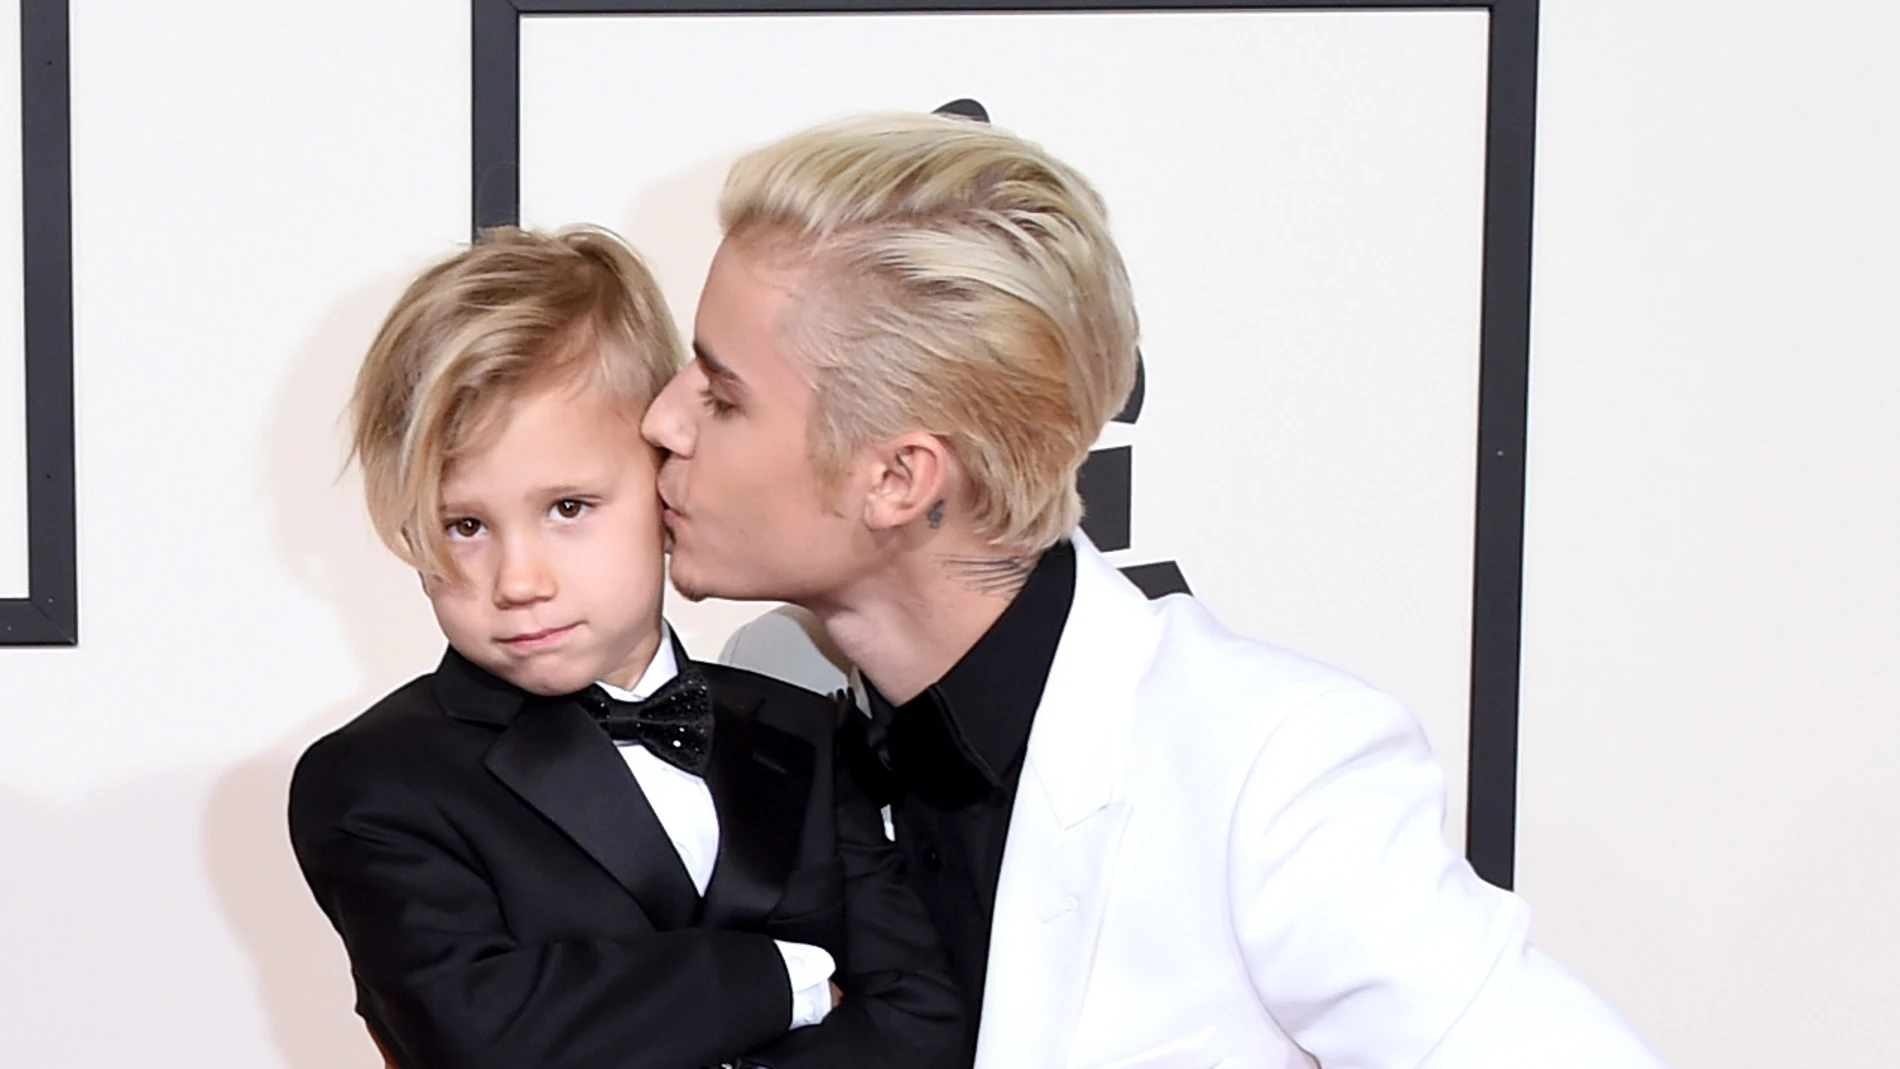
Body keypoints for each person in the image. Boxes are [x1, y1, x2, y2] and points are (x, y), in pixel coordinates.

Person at [639, 113, 1668, 1068]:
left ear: (899, 479)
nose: (663, 421)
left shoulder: (1264, 774)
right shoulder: (760, 713)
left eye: (722, 395)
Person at [286, 225, 961, 1069]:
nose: (519, 578)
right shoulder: (374, 782)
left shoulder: (802, 730)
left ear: (663, 480)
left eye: (568, 507)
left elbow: (921, 1020)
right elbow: (486, 1036)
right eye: (466, 525)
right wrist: (780, 978)